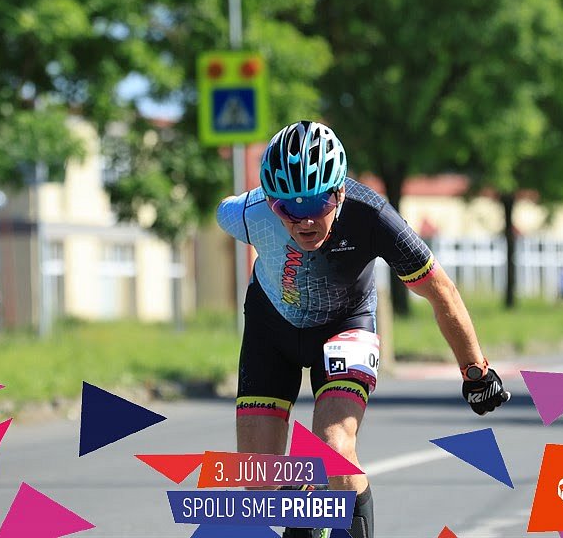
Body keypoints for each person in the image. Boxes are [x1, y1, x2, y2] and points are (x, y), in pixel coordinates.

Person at [216, 120, 509, 538]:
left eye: (317, 202)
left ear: (339, 192)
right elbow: (224, 205)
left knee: (333, 447)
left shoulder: (372, 215)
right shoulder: (249, 213)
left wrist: (475, 370)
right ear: (271, 201)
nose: (304, 220)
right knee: (259, 481)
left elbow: (440, 290)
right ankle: (308, 511)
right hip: (272, 329)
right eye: (289, 209)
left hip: (345, 326)